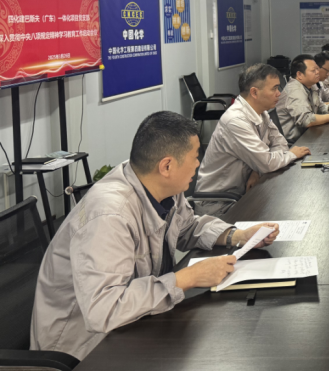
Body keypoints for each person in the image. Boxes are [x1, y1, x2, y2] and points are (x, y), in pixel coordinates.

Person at [30, 112, 280, 361]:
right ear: (167, 166)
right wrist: (188, 278)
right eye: (195, 156)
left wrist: (237, 235)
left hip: (132, 325)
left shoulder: (160, 184)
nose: (198, 164)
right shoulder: (109, 215)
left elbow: (187, 228)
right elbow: (104, 310)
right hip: (83, 349)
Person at [196, 64, 311, 202]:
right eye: (274, 88)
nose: (279, 93)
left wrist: (256, 170)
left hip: (245, 192)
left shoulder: (261, 112)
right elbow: (267, 162)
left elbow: (280, 144)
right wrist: (292, 154)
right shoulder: (235, 121)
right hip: (221, 202)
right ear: (255, 92)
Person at [276, 54, 329, 143]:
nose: (317, 72)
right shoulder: (294, 90)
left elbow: (320, 106)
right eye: (313, 70)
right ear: (299, 74)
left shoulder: (311, 85)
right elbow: (306, 120)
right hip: (294, 143)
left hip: (307, 135)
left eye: (317, 69)